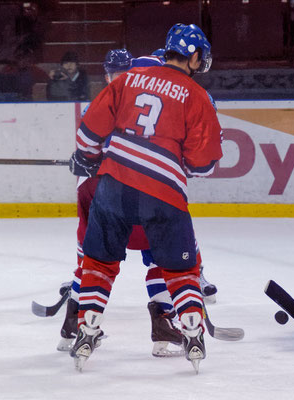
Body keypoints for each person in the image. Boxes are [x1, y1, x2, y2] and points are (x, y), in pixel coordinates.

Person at [68, 23, 221, 373]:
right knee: (181, 268)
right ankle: (192, 327)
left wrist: (87, 158)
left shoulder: (126, 80)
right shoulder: (196, 95)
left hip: (114, 185)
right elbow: (205, 163)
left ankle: (87, 326)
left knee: (99, 263)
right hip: (164, 193)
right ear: (194, 56)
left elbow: (90, 130)